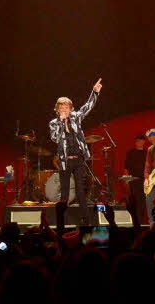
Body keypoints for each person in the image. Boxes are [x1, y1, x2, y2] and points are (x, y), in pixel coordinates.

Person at [48, 77, 104, 226]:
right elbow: (55, 138)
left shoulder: (76, 118)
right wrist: (61, 122)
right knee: (65, 193)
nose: (65, 110)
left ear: (70, 108)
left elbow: (88, 107)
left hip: (78, 159)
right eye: (62, 108)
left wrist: (94, 92)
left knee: (80, 190)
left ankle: (86, 220)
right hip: (65, 161)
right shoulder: (54, 123)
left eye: (67, 107)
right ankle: (62, 221)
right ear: (57, 109)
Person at [123, 134, 148, 229]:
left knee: (143, 202)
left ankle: (140, 222)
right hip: (134, 180)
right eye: (136, 140)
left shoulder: (146, 154)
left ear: (143, 142)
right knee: (136, 201)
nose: (137, 142)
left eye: (139, 140)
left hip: (144, 181)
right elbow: (126, 167)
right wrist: (126, 180)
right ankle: (136, 222)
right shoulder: (131, 153)